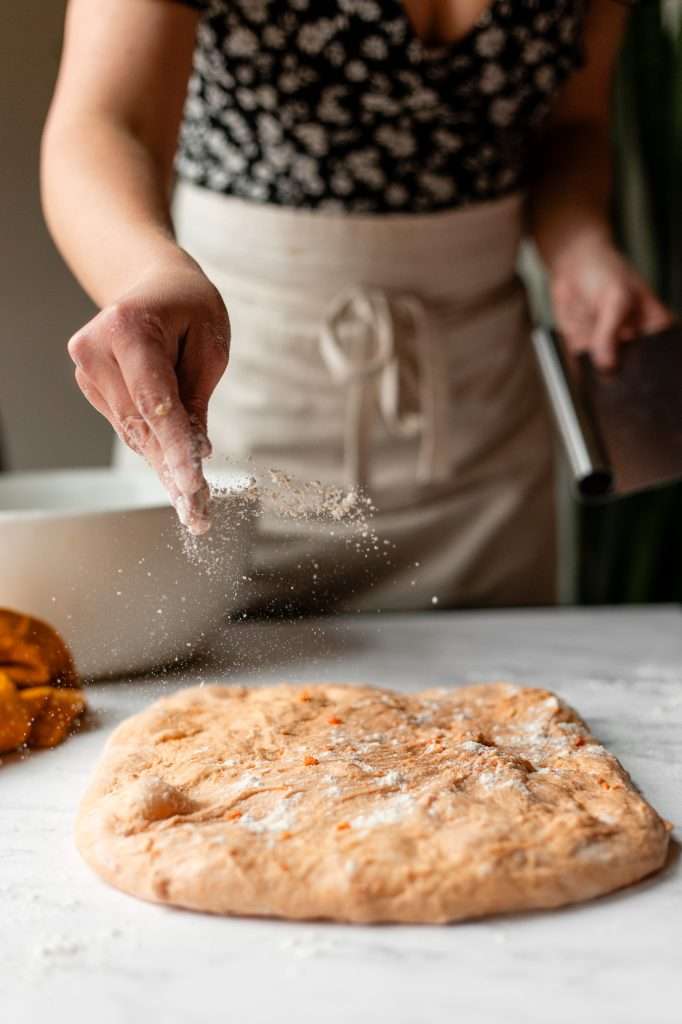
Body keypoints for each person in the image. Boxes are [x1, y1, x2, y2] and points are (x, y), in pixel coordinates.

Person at [41, 0, 671, 612]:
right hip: (242, 398)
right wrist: (149, 273)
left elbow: (573, 126)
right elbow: (103, 124)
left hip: (480, 428)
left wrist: (580, 244)